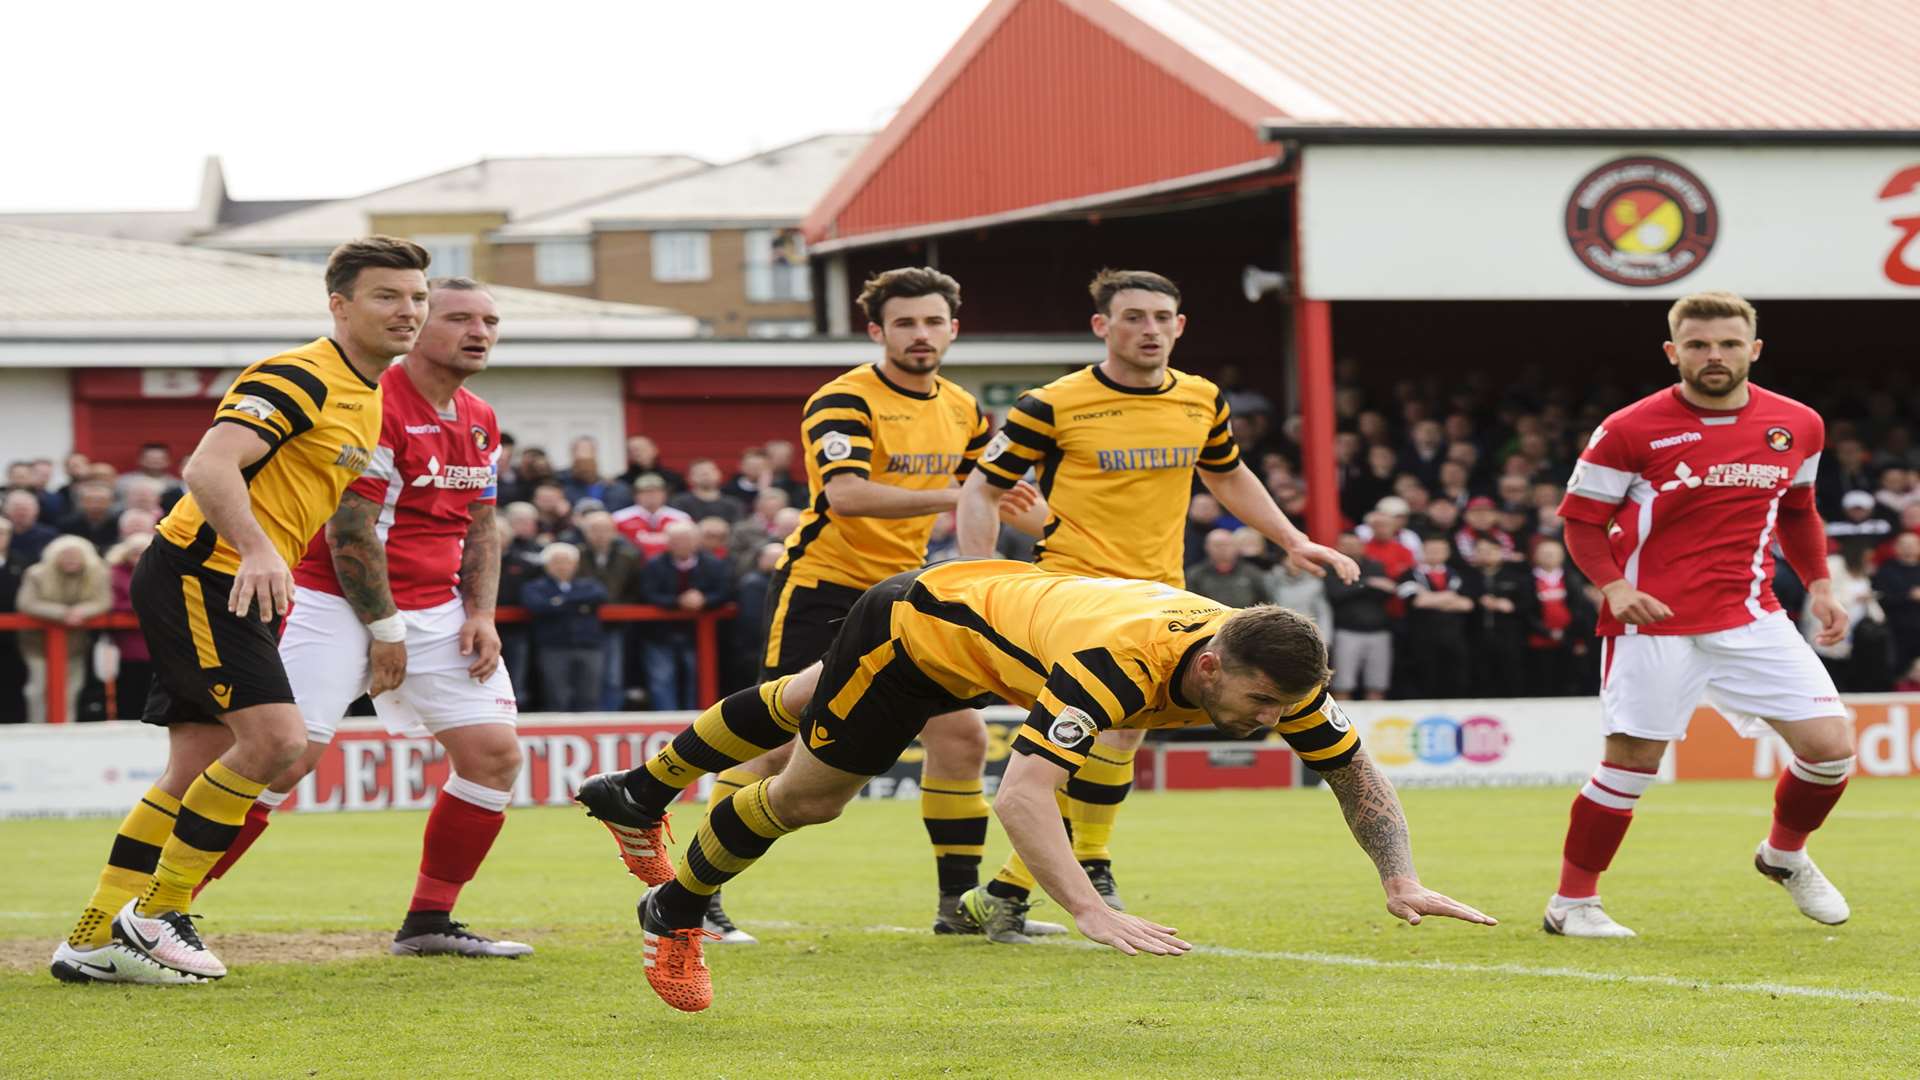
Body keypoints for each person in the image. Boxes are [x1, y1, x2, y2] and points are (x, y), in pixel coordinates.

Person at [575, 560, 1493, 1011]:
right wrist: (1091, 910)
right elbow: (1022, 795)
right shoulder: (1119, 669)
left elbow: (1354, 771)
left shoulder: (1277, 672)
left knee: (809, 694)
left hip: (992, 618)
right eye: (1256, 703)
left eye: (1279, 709)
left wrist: (1399, 877)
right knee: (813, 796)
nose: (1267, 721)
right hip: (917, 631)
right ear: (1211, 665)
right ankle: (677, 911)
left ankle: (639, 794)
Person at [51, 236, 426, 983]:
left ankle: (93, 937)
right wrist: (257, 548)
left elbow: (332, 507)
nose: (408, 311)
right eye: (388, 296)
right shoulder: (299, 373)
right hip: (207, 569)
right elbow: (208, 464)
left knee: (191, 767)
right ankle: (154, 916)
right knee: (277, 742)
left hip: (239, 582)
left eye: (418, 297)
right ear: (340, 305)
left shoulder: (371, 392)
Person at [624, 267, 1034, 942]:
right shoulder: (842, 399)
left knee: (960, 735)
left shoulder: (962, 407)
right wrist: (960, 495)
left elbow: (984, 496)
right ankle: (697, 890)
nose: (921, 334)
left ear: (953, 330)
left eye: (933, 322)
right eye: (905, 323)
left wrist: (988, 559)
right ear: (877, 332)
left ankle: (957, 906)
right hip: (827, 587)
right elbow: (845, 495)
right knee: (780, 743)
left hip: (909, 596)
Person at [955, 268, 1356, 922]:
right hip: (1070, 592)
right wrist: (974, 581)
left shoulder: (1200, 399)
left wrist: (1291, 538)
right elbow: (982, 487)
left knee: (1122, 736)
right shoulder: (1051, 403)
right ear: (1101, 326)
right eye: (1134, 316)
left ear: (1180, 325)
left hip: (1160, 595)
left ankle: (1029, 882)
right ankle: (1057, 875)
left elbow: (1227, 473)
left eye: (1161, 317)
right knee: (1076, 737)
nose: (1150, 329)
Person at [188, 277, 528, 958]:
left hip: (438, 609)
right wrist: (385, 632)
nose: (479, 332)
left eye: (490, 320)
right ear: (422, 323)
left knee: (494, 757)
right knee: (279, 761)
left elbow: (482, 525)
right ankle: (160, 909)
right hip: (333, 601)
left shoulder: (481, 416)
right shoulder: (375, 406)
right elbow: (351, 533)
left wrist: (482, 613)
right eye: (459, 317)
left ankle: (429, 922)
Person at [1546, 291, 1854, 938]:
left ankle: (1784, 856)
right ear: (1672, 351)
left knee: (1830, 750)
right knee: (1630, 763)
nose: (1714, 356)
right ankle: (1572, 904)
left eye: (1728, 344)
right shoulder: (1629, 428)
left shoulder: (1799, 424)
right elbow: (1580, 522)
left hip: (1751, 613)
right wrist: (1612, 587)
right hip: (1651, 619)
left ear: (1754, 349)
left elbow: (1798, 511)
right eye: (1698, 345)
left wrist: (1820, 585)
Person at [636, 521, 731, 711]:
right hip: (660, 634)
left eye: (686, 540)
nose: (682, 545)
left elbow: (725, 592)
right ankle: (665, 719)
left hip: (699, 635)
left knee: (698, 677)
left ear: (696, 541)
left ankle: (697, 721)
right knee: (661, 679)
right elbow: (646, 593)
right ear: (668, 543)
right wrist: (678, 601)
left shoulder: (713, 564)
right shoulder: (654, 565)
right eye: (676, 541)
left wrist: (704, 600)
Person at [16, 535, 111, 723]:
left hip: (76, 644)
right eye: (66, 555)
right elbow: (26, 603)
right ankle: (37, 727)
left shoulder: (97, 573)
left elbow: (103, 601)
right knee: (38, 689)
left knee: (72, 688)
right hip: (37, 644)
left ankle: (66, 727)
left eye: (76, 555)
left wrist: (81, 611)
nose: (71, 559)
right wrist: (63, 613)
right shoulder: (36, 573)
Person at [523, 543, 608, 713]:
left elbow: (600, 595)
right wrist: (579, 605)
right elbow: (538, 606)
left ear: (575, 565)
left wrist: (559, 601)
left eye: (566, 561)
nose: (562, 566)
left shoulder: (589, 584)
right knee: (556, 695)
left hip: (588, 645)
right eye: (556, 562)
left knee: (590, 695)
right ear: (547, 565)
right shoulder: (535, 587)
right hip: (554, 647)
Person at [579, 509, 644, 712]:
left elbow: (636, 588)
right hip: (583, 624)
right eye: (594, 530)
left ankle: (610, 713)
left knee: (613, 676)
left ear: (614, 531)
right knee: (587, 675)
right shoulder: (576, 555)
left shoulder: (629, 556)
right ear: (585, 532)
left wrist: (620, 607)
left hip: (616, 624)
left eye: (605, 529)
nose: (600, 535)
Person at [1395, 537, 1473, 699]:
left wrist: (1431, 598)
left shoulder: (1457, 574)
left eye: (1440, 550)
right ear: (1422, 551)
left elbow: (1467, 604)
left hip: (1454, 638)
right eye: (1431, 550)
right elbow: (1417, 601)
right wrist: (1450, 597)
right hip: (1421, 638)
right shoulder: (1409, 574)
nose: (1436, 553)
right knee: (1424, 679)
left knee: (1455, 679)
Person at [1324, 532, 1395, 701]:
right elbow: (1335, 594)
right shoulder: (1330, 569)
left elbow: (1387, 591)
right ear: (1338, 547)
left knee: (1378, 684)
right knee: (1343, 684)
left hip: (1378, 631)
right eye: (1346, 545)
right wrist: (1367, 584)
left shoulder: (1375, 566)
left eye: (1355, 545)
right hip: (1347, 631)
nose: (1351, 549)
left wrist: (1356, 586)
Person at [1461, 537, 1535, 698]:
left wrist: (1511, 606)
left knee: (1512, 677)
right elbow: (1462, 599)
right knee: (1480, 678)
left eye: (1491, 551)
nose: (1486, 555)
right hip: (1476, 636)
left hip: (1510, 636)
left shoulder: (1517, 576)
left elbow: (1530, 604)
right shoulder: (1467, 576)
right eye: (1481, 551)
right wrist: (1477, 601)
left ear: (1500, 552)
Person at [105, 532, 154, 720]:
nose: (139, 557)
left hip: (158, 642)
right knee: (129, 688)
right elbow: (111, 603)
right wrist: (144, 605)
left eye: (144, 552)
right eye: (135, 552)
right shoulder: (115, 572)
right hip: (126, 643)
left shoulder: (162, 570)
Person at [611, 473, 693, 561]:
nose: (651, 496)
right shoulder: (619, 518)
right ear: (636, 495)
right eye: (645, 492)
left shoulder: (681, 518)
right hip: (633, 568)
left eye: (656, 491)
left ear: (664, 494)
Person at [1184, 528, 1270, 608]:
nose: (1222, 549)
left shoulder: (1252, 572)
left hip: (1245, 620)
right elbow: (1191, 604)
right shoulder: (1195, 575)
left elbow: (1265, 602)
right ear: (1207, 547)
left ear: (1236, 547)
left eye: (1227, 545)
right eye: (1217, 545)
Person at [1872, 532, 1920, 673]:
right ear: (1896, 548)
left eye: (1912, 545)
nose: (1908, 549)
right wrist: (1908, 596)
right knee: (1897, 668)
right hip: (1896, 630)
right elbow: (1880, 597)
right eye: (1904, 545)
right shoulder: (1886, 571)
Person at [669, 459, 743, 524]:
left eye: (710, 470)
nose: (705, 474)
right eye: (699, 471)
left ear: (719, 475)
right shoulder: (679, 502)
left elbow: (738, 529)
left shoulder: (734, 503)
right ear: (689, 478)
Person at [57, 481, 120, 553]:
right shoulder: (67, 524)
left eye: (101, 501)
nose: (95, 505)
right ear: (81, 502)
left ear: (110, 502)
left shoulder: (118, 523)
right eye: (90, 501)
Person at [5, 489, 58, 565]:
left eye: (26, 510)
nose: (21, 513)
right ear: (6, 511)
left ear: (36, 511)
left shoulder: (48, 535)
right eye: (17, 509)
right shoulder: (2, 534)